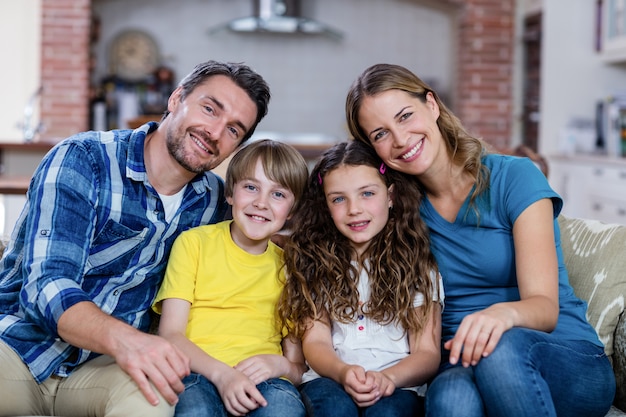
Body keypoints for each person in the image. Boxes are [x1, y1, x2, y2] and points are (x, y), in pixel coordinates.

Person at [0, 60, 271, 417]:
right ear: (176, 99)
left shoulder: (215, 205)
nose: (215, 132)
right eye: (209, 109)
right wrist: (129, 341)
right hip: (18, 348)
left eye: (234, 130)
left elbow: (259, 249)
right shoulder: (84, 159)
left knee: (156, 401)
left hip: (102, 370)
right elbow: (45, 285)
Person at [344, 63, 616, 417]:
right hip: (461, 361)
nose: (400, 139)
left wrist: (501, 315)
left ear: (432, 104)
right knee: (450, 400)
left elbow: (546, 309)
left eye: (405, 115)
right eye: (380, 134)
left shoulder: (513, 177)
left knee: (501, 351)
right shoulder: (396, 211)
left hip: (561, 357)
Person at [278, 140, 443, 417]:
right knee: (333, 410)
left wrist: (387, 378)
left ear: (390, 196)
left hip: (400, 383)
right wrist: (343, 372)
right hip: (328, 378)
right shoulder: (313, 262)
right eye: (339, 199)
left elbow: (426, 353)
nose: (354, 209)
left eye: (367, 193)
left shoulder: (417, 265)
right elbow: (316, 342)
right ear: (326, 206)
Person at [153, 139, 309, 417]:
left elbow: (297, 367)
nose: (261, 203)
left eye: (278, 194)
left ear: (293, 211)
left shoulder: (289, 267)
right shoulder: (194, 244)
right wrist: (223, 375)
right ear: (230, 194)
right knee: (195, 411)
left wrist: (280, 366)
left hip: (268, 383)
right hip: (197, 374)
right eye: (251, 187)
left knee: (282, 411)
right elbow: (171, 335)